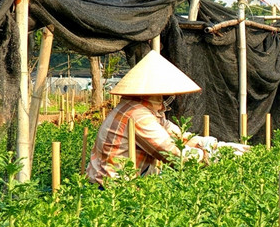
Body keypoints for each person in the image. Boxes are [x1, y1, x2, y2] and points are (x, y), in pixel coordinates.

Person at [87, 50, 248, 186]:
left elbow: (179, 137)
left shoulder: (147, 111)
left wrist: (217, 146)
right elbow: (173, 153)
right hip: (112, 190)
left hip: (126, 185)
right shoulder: (138, 114)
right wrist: (211, 156)